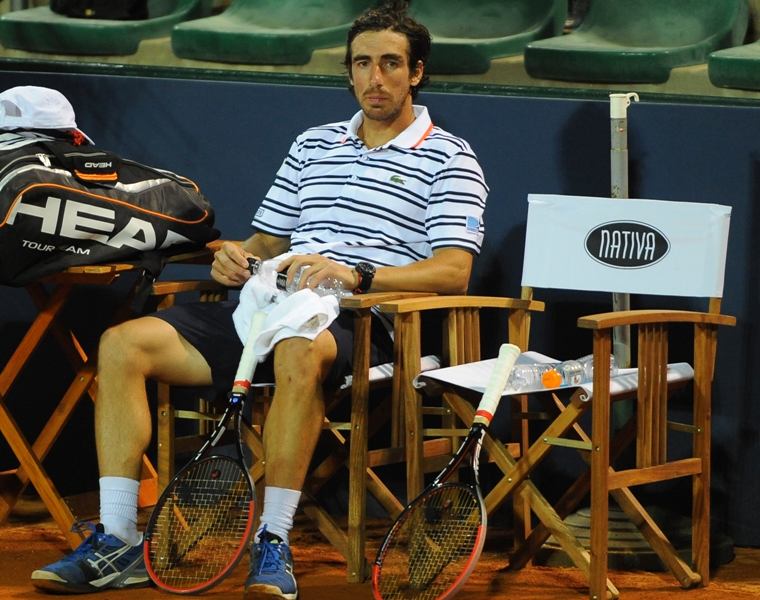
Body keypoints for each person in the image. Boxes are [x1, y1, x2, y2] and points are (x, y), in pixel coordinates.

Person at [30, 1, 488, 598]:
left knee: (300, 352)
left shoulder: (451, 156)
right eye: (362, 64)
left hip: (364, 322)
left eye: (391, 65)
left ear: (416, 73)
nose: (375, 79)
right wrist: (233, 257)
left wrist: (356, 275)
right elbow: (265, 240)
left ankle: (272, 543)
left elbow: (454, 273)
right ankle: (118, 541)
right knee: (122, 344)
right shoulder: (313, 144)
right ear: (348, 72)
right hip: (270, 308)